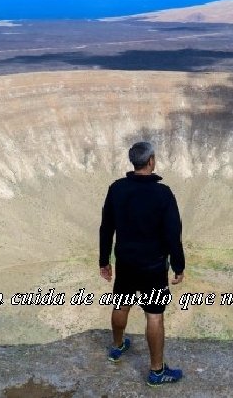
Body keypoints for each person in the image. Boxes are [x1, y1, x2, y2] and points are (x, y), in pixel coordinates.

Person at [99, 141, 186, 386]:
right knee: (155, 316)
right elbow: (172, 234)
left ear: (133, 162)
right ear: (151, 161)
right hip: (153, 266)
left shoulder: (116, 189)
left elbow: (107, 227)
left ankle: (117, 347)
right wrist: (179, 266)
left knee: (121, 304)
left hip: (125, 262)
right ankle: (157, 372)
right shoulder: (163, 193)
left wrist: (104, 261)